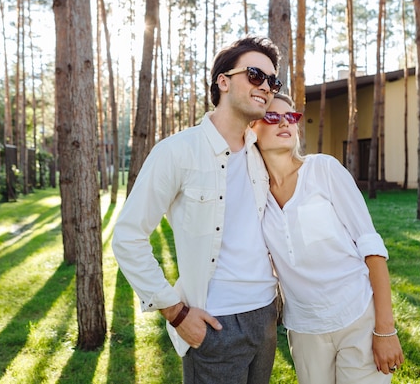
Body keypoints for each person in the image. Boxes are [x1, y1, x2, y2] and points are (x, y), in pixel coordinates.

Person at [111, 36, 283, 384]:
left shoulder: (261, 154)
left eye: (272, 80)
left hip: (265, 315)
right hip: (214, 324)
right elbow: (128, 236)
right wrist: (174, 312)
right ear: (222, 81)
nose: (265, 86)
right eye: (254, 74)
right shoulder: (176, 151)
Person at [250, 93, 404, 384]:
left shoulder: (324, 169)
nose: (285, 122)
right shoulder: (254, 194)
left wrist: (385, 330)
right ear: (250, 129)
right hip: (304, 329)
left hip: (357, 316)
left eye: (291, 116)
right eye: (272, 116)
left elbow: (371, 248)